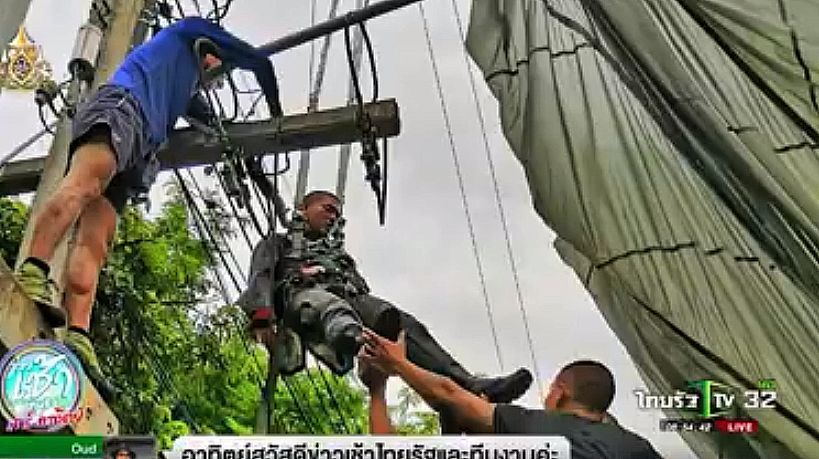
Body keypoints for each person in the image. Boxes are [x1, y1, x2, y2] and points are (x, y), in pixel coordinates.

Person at [13, 16, 283, 398]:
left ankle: (79, 334)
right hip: (122, 106)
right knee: (83, 185)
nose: (216, 75)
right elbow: (259, 61)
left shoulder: (185, 90)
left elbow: (210, 119)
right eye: (218, 67)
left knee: (98, 239)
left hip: (140, 143)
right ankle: (33, 270)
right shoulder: (186, 32)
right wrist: (276, 108)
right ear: (210, 52)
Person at [239, 190, 533, 404]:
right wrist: (262, 318)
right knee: (327, 306)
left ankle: (469, 386)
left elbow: (362, 294)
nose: (332, 217)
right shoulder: (279, 243)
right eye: (327, 209)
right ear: (304, 209)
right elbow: (260, 276)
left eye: (337, 214)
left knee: (400, 321)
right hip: (302, 298)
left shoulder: (342, 261)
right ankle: (355, 341)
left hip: (348, 301)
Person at [360, 329, 663, 458]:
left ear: (561, 392)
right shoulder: (639, 448)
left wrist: (393, 368)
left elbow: (448, 394)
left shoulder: (556, 431)